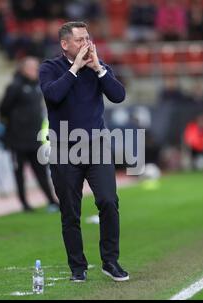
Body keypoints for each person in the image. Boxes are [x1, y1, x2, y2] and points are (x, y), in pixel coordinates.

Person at [39, 21, 129, 282]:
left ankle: (110, 261)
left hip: (97, 146)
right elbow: (53, 96)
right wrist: (76, 68)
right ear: (65, 44)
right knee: (70, 211)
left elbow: (119, 95)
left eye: (87, 38)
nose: (86, 44)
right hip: (64, 147)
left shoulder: (97, 68)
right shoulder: (50, 68)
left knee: (109, 201)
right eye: (80, 40)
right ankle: (77, 267)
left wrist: (99, 69)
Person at [0, 56, 59, 213]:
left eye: (36, 68)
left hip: (34, 138)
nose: (35, 71)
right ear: (23, 69)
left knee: (41, 172)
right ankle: (24, 203)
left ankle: (51, 200)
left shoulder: (37, 87)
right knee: (19, 173)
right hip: (17, 139)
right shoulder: (15, 86)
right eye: (32, 68)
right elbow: (3, 109)